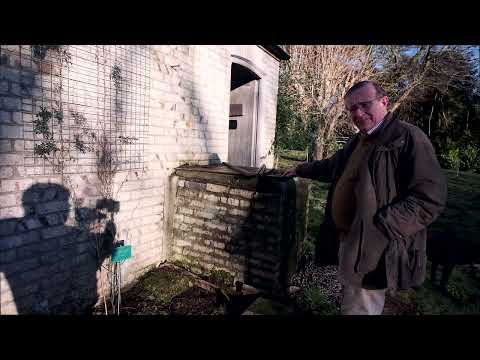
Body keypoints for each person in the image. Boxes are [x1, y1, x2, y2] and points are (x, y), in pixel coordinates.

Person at [284, 80, 447, 315]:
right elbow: (332, 167)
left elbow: (430, 198)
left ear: (384, 101)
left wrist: (382, 226)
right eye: (351, 109)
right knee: (352, 299)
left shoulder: (406, 137)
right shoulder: (359, 140)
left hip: (374, 245)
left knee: (362, 305)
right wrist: (301, 169)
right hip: (350, 240)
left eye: (364, 105)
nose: (358, 113)